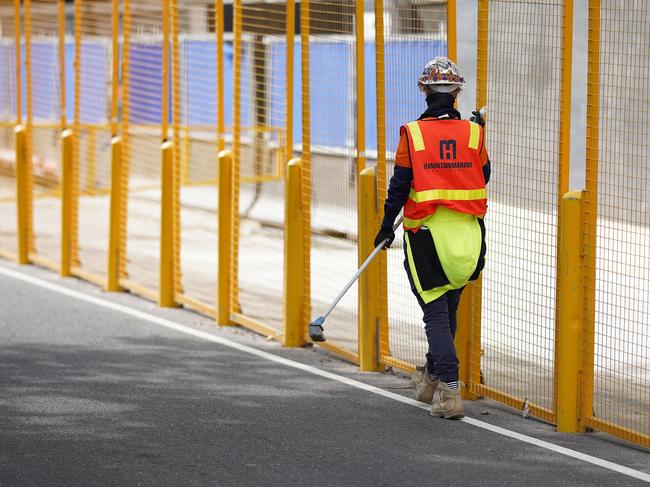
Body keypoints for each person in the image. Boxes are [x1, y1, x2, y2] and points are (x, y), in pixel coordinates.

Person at [374, 57, 490, 419]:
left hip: (426, 237)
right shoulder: (473, 132)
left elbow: (400, 185)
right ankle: (429, 381)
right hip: (469, 238)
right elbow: (484, 175)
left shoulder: (413, 133)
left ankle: (450, 394)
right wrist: (477, 131)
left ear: (423, 90)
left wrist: (384, 225)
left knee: (435, 317)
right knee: (447, 310)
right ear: (457, 92)